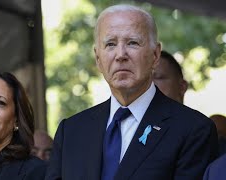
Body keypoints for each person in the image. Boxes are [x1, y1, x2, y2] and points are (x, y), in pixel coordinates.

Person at [45, 4, 218, 180]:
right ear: (98, 58)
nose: (120, 54)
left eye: (132, 43)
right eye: (110, 44)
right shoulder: (72, 131)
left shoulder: (193, 129)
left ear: (155, 55)